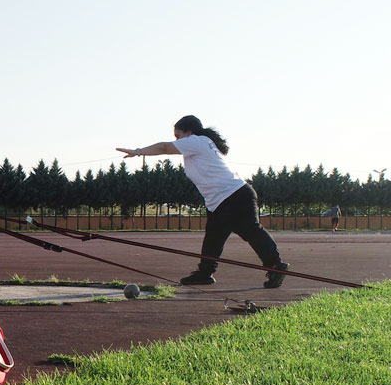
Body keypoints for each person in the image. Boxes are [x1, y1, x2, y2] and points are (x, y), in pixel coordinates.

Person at [116, 115, 290, 288]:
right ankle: (205, 273)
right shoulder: (201, 143)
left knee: (251, 231)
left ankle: (276, 265)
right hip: (220, 201)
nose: (176, 140)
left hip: (234, 196)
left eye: (178, 136)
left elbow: (164, 147)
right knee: (213, 239)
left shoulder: (195, 141)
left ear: (189, 132)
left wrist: (137, 152)